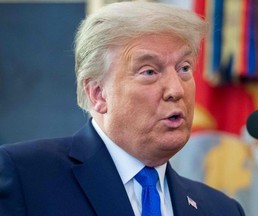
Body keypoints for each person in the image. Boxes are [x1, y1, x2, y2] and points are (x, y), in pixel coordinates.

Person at [0, 2, 245, 216]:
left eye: (184, 68)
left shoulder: (222, 209)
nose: (176, 90)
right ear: (98, 93)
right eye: (149, 71)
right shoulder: (25, 177)